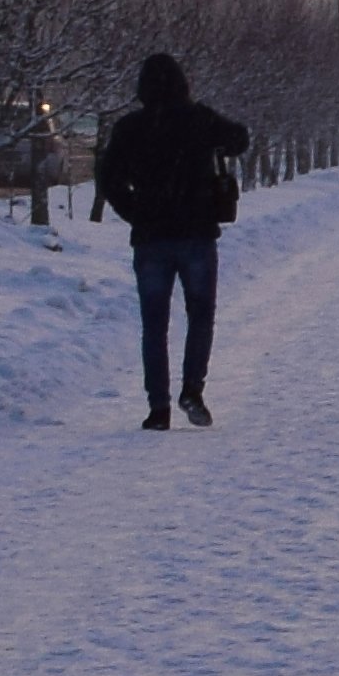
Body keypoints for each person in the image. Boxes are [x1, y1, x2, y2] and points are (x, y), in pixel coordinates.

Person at [91, 50, 249, 431]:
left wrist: (135, 209)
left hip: (151, 238)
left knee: (154, 324)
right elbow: (239, 138)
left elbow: (108, 178)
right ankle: (192, 390)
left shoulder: (130, 128)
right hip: (196, 232)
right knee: (200, 316)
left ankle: (157, 407)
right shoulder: (199, 120)